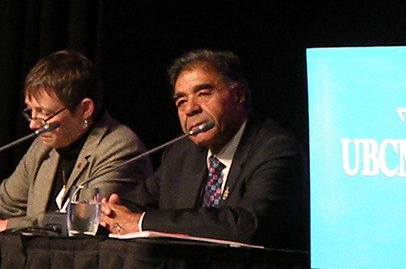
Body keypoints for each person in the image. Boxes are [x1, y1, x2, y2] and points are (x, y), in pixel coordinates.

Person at [100, 49, 309, 250]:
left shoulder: (275, 148)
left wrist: (142, 222)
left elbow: (249, 225)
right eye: (181, 101)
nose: (190, 109)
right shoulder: (181, 153)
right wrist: (111, 212)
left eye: (203, 93)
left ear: (238, 96)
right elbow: (136, 203)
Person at [0, 50, 152, 232]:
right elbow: (6, 203)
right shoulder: (43, 147)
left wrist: (9, 225)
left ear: (85, 109)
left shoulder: (121, 148)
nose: (33, 124)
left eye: (45, 114)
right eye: (30, 111)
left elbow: (83, 221)